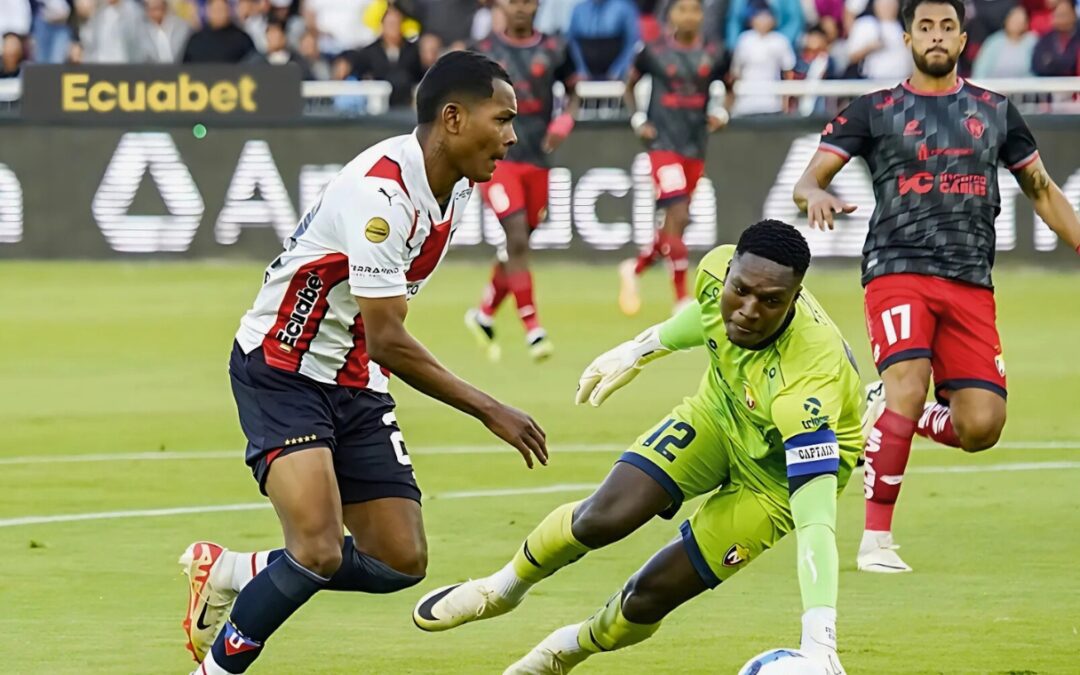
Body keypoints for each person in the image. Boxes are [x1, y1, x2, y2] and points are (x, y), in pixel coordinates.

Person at [178, 51, 549, 675]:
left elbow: (374, 336)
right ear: (454, 119)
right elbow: (388, 338)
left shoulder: (451, 187)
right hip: (282, 367)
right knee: (318, 550)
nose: (513, 135)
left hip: (352, 381)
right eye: (503, 118)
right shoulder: (382, 195)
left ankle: (233, 570)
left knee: (399, 560)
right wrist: (491, 409)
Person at [414, 220, 860, 675]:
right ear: (728, 273)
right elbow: (707, 315)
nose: (748, 310)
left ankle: (563, 651)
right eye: (740, 290)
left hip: (775, 479)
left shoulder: (807, 386)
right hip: (718, 415)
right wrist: (642, 347)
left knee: (646, 597)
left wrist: (819, 641)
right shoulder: (714, 272)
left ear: (795, 297)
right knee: (602, 517)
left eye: (771, 302)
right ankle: (500, 590)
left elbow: (816, 522)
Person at [792, 0, 1080, 573]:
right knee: (906, 381)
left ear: (963, 36)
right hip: (897, 269)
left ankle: (902, 414)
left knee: (981, 427)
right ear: (907, 37)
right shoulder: (875, 110)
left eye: (947, 26)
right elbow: (807, 181)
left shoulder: (996, 112)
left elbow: (1043, 190)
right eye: (925, 26)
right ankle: (876, 540)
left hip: (971, 279)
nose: (937, 35)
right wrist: (815, 196)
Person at [465, 0, 580, 362]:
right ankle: (534, 330)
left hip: (538, 159)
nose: (520, 9)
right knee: (516, 236)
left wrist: (565, 121)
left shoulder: (556, 48)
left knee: (520, 242)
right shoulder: (485, 51)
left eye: (527, 2)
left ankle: (484, 314)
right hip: (499, 160)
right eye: (513, 2)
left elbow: (575, 91)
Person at [619, 0, 730, 316]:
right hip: (662, 146)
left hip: (695, 146)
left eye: (695, 10)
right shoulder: (652, 51)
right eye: (682, 10)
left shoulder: (716, 52)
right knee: (679, 214)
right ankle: (681, 299)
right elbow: (629, 84)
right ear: (670, 16)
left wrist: (722, 111)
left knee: (674, 225)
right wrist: (638, 119)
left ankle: (635, 268)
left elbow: (730, 85)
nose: (689, 16)